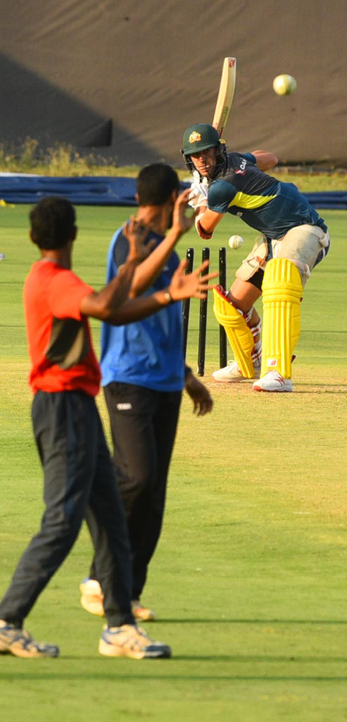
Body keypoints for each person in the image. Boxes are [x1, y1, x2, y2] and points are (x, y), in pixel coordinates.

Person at [0, 197, 211, 659]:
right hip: (62, 410)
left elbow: (111, 309)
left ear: (34, 238)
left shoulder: (48, 277)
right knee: (62, 521)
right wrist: (141, 267)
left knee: (112, 519)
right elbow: (102, 307)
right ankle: (7, 619)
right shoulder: (55, 281)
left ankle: (119, 626)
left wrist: (165, 294)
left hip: (76, 408)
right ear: (74, 235)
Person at [78, 163, 214, 624]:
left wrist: (187, 374)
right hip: (127, 376)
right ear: (166, 200)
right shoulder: (130, 239)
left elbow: (165, 318)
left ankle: (127, 591)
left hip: (164, 381)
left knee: (153, 490)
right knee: (135, 477)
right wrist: (175, 236)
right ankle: (100, 574)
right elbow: (128, 290)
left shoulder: (170, 252)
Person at [181, 123, 330, 393]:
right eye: (196, 155)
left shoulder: (222, 187)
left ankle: (280, 372)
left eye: (207, 153)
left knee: (279, 281)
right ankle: (252, 361)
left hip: (306, 229)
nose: (202, 160)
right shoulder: (236, 160)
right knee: (231, 304)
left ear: (217, 150)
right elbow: (270, 159)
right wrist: (230, 167)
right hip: (273, 236)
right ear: (188, 158)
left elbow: (204, 229)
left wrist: (200, 198)